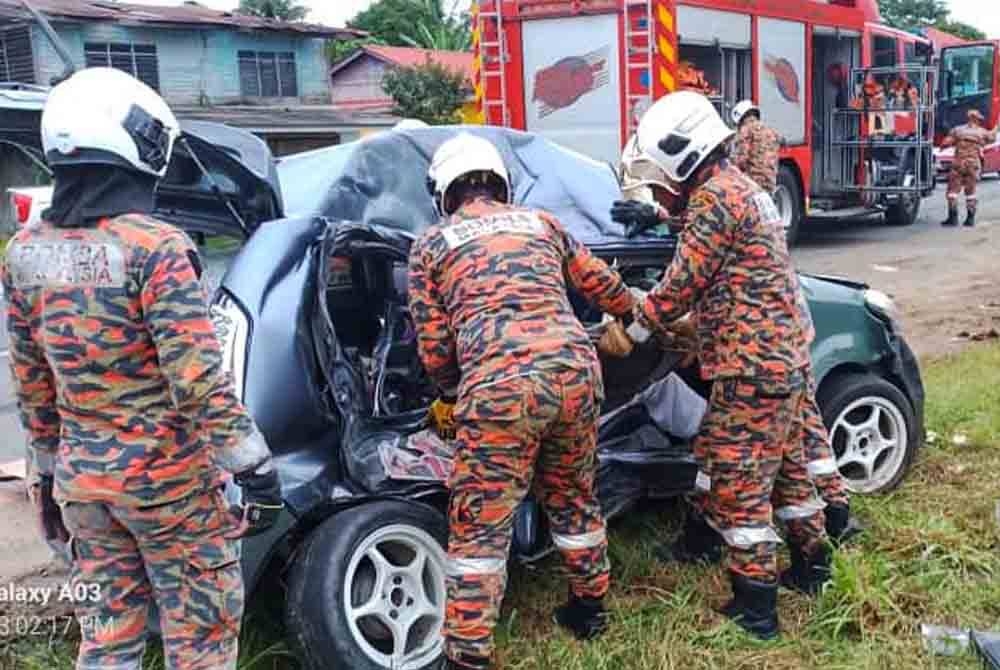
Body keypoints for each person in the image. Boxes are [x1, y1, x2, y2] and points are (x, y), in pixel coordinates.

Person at [3, 67, 283, 670]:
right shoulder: (155, 246)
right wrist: (254, 466)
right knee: (200, 643)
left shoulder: (24, 252)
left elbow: (32, 385)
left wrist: (47, 476)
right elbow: (197, 378)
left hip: (85, 489)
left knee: (106, 643)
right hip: (169, 487)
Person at [409, 133, 636, 669]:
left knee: (481, 525)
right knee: (574, 496)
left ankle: (468, 651)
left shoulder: (432, 244)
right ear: (499, 181)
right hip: (576, 377)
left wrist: (447, 393)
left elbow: (434, 343)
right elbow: (603, 285)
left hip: (499, 388)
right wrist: (634, 316)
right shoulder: (542, 223)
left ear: (443, 190)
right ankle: (589, 608)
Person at [613, 91, 831, 640]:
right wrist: (663, 214)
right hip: (778, 359)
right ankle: (814, 566)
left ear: (682, 154)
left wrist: (633, 329)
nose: (661, 179)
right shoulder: (741, 189)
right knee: (783, 472)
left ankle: (756, 607)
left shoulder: (715, 200)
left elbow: (679, 285)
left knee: (738, 488)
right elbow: (711, 238)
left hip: (751, 367)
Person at [730, 100, 857, 544]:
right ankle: (837, 514)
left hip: (772, 348)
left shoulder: (741, 160)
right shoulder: (770, 141)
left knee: (780, 443)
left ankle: (710, 534)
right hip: (795, 335)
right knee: (808, 434)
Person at [941, 108, 998, 228]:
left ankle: (953, 217)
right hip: (973, 164)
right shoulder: (982, 132)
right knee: (970, 192)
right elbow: (992, 137)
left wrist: (944, 146)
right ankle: (970, 219)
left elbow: (946, 143)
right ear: (977, 120)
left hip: (958, 164)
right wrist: (997, 125)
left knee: (952, 192)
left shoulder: (958, 130)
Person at [730, 100, 782, 195]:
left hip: (753, 184)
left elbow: (741, 160)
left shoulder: (745, 130)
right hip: (770, 183)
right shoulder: (770, 131)